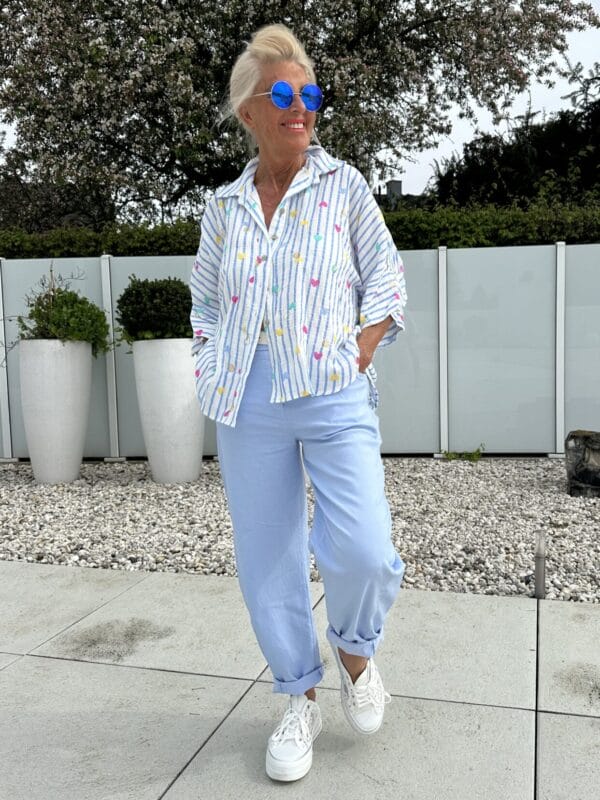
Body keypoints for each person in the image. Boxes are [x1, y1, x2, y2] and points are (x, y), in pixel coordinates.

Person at [190, 23, 407, 783]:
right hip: (247, 395)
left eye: (309, 93)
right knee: (267, 556)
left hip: (332, 386)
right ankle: (297, 695)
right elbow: (205, 303)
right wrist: (209, 365)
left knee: (364, 547)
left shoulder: (343, 186)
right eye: (282, 93)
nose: (300, 106)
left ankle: (356, 654)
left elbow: (385, 277)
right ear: (249, 110)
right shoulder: (224, 208)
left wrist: (363, 347)